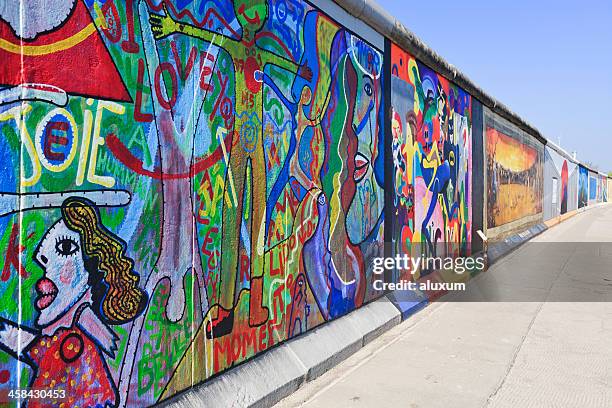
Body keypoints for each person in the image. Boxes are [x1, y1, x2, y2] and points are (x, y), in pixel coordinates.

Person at [0, 197, 147, 408]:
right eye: (44, 260)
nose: (43, 267)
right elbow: (24, 343)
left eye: (66, 248)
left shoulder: (73, 345)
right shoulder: (61, 342)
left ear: (91, 271)